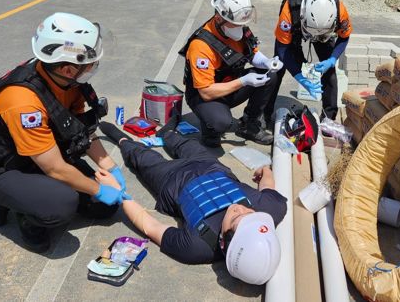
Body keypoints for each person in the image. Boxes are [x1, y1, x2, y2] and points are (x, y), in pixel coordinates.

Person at [0, 13, 128, 253]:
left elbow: (79, 130)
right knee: (62, 204)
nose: (93, 67)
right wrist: (100, 189)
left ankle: (29, 196)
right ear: (67, 68)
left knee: (103, 209)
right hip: (5, 169)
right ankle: (23, 213)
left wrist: (110, 167)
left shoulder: (64, 80)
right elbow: (54, 168)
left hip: (43, 153)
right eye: (90, 62)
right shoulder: (24, 102)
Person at [99, 121, 285, 285]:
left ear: (222, 242)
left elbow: (149, 225)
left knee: (140, 157)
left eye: (236, 218)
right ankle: (167, 133)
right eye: (250, 214)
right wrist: (265, 171)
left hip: (171, 181)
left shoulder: (197, 246)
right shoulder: (272, 210)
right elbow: (268, 187)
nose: (240, 208)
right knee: (186, 144)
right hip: (211, 166)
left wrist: (118, 193)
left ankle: (122, 140)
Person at [179, 0, 281, 147]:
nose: (241, 28)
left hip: (228, 84)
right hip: (204, 95)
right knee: (220, 122)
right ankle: (210, 128)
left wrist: (266, 62)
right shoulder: (201, 46)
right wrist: (244, 81)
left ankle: (249, 125)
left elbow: (252, 53)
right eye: (236, 24)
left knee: (270, 76)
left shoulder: (237, 28)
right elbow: (205, 92)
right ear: (219, 18)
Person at [263, 0, 353, 124]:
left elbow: (344, 37)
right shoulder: (289, 13)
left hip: (325, 32)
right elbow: (283, 50)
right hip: (297, 26)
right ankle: (264, 113)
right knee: (277, 67)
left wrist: (332, 59)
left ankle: (329, 117)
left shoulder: (339, 10)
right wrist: (299, 76)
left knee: (330, 71)